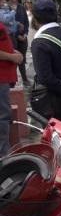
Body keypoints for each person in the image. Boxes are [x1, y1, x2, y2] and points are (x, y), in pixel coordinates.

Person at [0, 22, 24, 156]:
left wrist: (13, 52)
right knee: (2, 118)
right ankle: (3, 158)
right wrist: (12, 56)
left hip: (4, 77)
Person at [8, 0, 29, 85]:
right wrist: (17, 35)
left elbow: (26, 22)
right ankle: (12, 81)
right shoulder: (6, 8)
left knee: (22, 59)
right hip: (12, 38)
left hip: (23, 38)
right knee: (13, 60)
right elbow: (8, 25)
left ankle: (25, 79)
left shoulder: (21, 7)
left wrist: (25, 34)